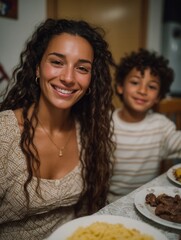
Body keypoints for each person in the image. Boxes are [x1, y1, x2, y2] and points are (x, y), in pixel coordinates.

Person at [0, 18, 116, 239]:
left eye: (82, 68)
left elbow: (84, 213)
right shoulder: (4, 132)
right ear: (37, 68)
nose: (68, 78)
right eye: (57, 62)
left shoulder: (89, 133)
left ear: (91, 80)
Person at [108, 48, 181, 202]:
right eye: (135, 82)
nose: (142, 90)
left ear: (158, 97)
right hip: (110, 202)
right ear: (120, 86)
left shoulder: (161, 126)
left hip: (148, 202)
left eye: (152, 86)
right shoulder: (105, 124)